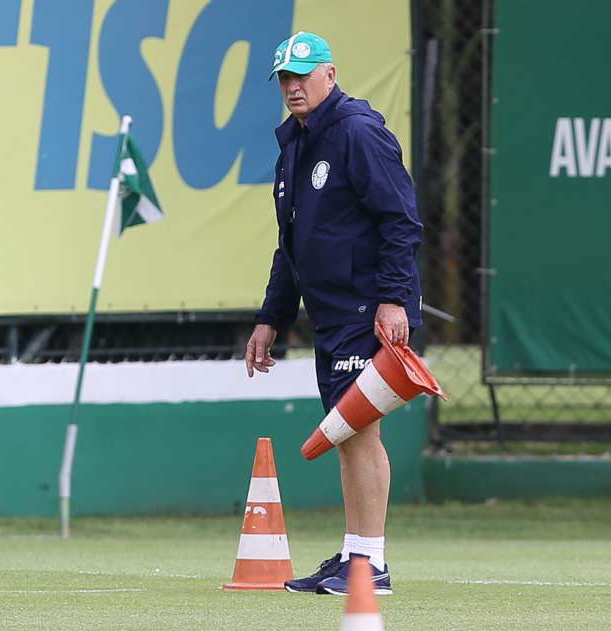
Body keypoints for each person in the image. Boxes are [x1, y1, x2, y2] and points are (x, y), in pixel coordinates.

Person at [245, 31, 423, 596]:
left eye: (303, 74)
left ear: (331, 73)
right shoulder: (296, 143)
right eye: (284, 79)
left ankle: (370, 565)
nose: (293, 87)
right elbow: (291, 242)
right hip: (331, 314)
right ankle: (356, 555)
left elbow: (400, 220)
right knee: (349, 433)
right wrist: (271, 317)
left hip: (367, 310)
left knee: (359, 431)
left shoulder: (358, 132)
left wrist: (394, 298)